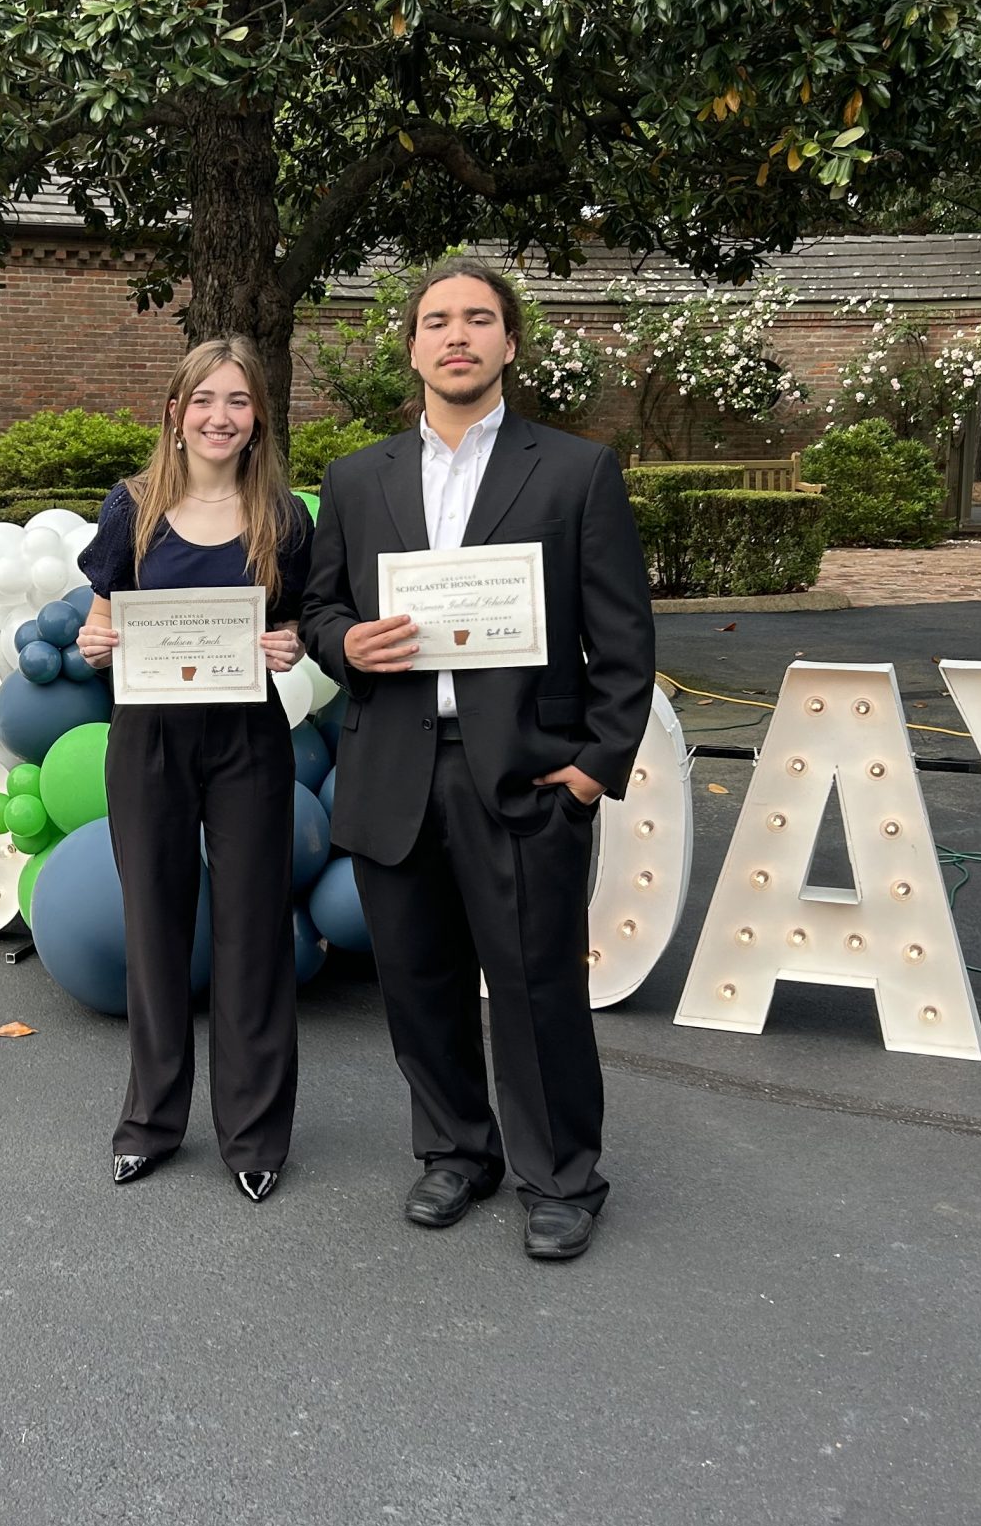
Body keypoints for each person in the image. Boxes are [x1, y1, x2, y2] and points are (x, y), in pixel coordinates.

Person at [300, 258, 655, 1262]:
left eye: (478, 320)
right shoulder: (357, 478)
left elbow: (622, 640)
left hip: (524, 774)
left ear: (507, 343)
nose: (456, 336)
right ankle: (456, 1150)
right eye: (436, 321)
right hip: (390, 766)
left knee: (537, 984)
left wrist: (593, 768)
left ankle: (561, 1177)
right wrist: (342, 644)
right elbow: (322, 604)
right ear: (411, 346)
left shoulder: (575, 471)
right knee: (416, 979)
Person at [75, 337, 315, 1202]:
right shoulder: (130, 510)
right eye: (204, 400)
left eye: (239, 402)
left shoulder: (285, 520)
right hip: (148, 742)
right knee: (157, 930)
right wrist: (94, 642)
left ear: (258, 421)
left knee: (254, 936)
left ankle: (253, 1137)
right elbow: (99, 627)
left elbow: (293, 628)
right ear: (175, 415)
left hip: (248, 741)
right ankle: (150, 1123)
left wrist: (289, 644)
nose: (221, 416)